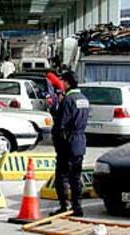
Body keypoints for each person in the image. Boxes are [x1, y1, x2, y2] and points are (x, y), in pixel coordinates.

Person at [50, 71, 89, 217]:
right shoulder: (84, 99)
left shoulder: (68, 100)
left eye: (63, 82)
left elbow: (60, 124)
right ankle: (77, 207)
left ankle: (64, 205)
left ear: (67, 82)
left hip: (67, 141)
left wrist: (56, 141)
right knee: (76, 176)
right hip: (80, 141)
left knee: (62, 175)